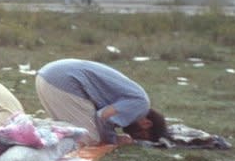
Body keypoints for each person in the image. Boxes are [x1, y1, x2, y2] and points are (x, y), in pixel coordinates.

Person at [35, 59, 167, 146]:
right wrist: (113, 140)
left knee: (70, 129)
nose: (133, 136)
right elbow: (104, 116)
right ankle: (35, 138)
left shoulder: (138, 98)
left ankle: (32, 132)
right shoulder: (140, 105)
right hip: (63, 81)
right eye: (141, 135)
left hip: (49, 75)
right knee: (90, 139)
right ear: (147, 123)